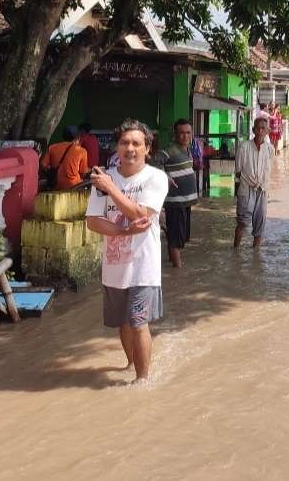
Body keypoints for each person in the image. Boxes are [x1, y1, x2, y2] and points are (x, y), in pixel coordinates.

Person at [86, 119, 169, 384]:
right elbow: (92, 220)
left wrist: (111, 187)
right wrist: (122, 232)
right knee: (122, 323)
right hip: (114, 266)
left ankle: (142, 380)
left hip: (143, 266)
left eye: (136, 143)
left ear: (147, 148)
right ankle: (131, 365)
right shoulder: (102, 179)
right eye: (124, 143)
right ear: (117, 147)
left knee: (138, 321)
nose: (130, 148)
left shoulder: (155, 178)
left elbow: (140, 213)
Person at [158, 119, 199, 268]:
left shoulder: (188, 150)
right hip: (175, 202)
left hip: (185, 202)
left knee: (180, 235)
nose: (185, 136)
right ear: (174, 134)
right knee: (175, 237)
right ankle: (178, 269)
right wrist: (165, 176)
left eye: (188, 133)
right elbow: (152, 165)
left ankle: (172, 261)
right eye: (181, 133)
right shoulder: (168, 152)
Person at [234, 117, 274, 249]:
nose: (260, 131)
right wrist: (238, 192)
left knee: (260, 226)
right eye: (258, 128)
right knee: (242, 223)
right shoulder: (244, 147)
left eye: (263, 128)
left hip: (262, 190)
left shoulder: (270, 149)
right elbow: (238, 171)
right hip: (246, 189)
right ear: (253, 130)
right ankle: (235, 250)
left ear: (267, 131)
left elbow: (268, 169)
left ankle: (255, 255)